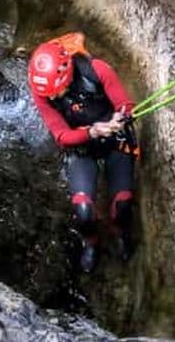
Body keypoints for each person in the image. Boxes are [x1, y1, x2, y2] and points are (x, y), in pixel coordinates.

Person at [28, 32, 140, 273]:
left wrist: (121, 117)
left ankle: (120, 232)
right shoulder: (43, 92)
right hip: (82, 147)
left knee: (123, 204)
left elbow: (125, 104)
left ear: (67, 75)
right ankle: (91, 243)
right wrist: (91, 132)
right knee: (83, 210)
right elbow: (61, 135)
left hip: (114, 140)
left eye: (54, 92)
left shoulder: (96, 69)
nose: (51, 98)